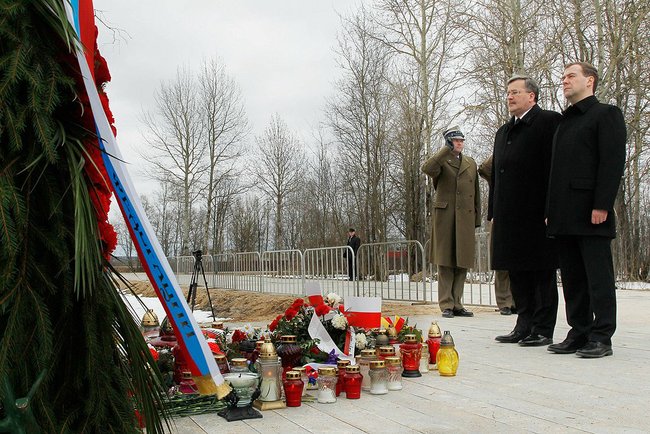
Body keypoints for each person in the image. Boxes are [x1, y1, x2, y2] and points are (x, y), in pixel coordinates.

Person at [546, 62, 626, 358]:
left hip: (591, 211)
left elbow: (612, 162)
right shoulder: (564, 122)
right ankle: (578, 331)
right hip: (564, 213)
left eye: (571, 76)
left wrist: (602, 204)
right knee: (572, 277)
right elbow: (555, 171)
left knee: (598, 277)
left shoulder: (606, 115)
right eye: (563, 77)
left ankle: (602, 336)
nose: (564, 81)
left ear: (589, 81)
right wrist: (550, 210)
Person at [490, 75, 561, 347]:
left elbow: (555, 168)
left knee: (540, 271)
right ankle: (524, 324)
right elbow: (497, 173)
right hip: (508, 213)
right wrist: (493, 209)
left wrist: (552, 207)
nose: (509, 96)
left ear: (532, 96)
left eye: (515, 92)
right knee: (516, 270)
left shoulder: (548, 122)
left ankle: (543, 328)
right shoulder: (504, 131)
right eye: (508, 92)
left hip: (536, 211)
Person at [422, 126, 480, 318]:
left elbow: (476, 194)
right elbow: (427, 168)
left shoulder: (470, 163)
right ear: (448, 142)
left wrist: (476, 219)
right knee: (446, 261)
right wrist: (444, 150)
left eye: (461, 140)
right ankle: (446, 303)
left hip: (465, 218)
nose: (459, 143)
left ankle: (457, 303)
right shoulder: (441, 160)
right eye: (455, 140)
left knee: (462, 261)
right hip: (446, 218)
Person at [478, 156, 515, 316]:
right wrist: (502, 149)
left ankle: (516, 300)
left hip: (520, 215)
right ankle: (504, 302)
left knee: (518, 262)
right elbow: (484, 168)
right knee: (502, 262)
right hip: (500, 215)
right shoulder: (496, 171)